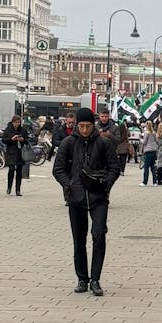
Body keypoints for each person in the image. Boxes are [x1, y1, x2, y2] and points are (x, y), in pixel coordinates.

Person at [52, 107, 122, 297]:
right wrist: (69, 185)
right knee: (79, 240)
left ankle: (96, 279)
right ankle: (82, 278)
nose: (84, 130)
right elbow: (58, 169)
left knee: (98, 235)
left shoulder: (104, 143)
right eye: (81, 126)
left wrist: (106, 185)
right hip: (76, 198)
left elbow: (114, 167)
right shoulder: (68, 143)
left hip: (98, 198)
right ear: (76, 125)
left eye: (88, 126)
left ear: (94, 125)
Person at [1, 114, 31, 196]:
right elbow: (3, 140)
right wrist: (11, 139)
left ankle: (18, 189)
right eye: (15, 122)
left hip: (20, 153)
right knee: (11, 169)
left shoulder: (23, 130)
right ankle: (9, 187)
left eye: (18, 122)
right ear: (13, 122)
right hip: (11, 152)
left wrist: (23, 140)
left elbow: (27, 140)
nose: (17, 124)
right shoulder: (8, 129)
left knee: (19, 171)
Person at [139, 121, 160, 186]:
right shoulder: (154, 132)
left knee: (146, 166)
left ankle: (145, 182)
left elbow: (144, 142)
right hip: (154, 150)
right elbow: (157, 141)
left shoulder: (146, 133)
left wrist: (140, 139)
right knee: (153, 166)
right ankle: (154, 182)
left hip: (148, 150)